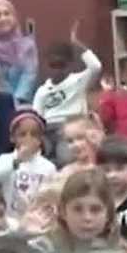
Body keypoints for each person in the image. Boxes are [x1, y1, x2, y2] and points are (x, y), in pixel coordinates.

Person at [27, 168, 125, 253]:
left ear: (108, 214)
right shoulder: (43, 249)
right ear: (63, 212)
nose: (87, 217)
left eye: (95, 210)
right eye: (77, 209)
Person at [33, 24, 103, 167]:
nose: (57, 70)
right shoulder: (42, 90)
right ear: (46, 65)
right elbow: (36, 115)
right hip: (47, 128)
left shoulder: (78, 81)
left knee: (65, 158)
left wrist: (77, 45)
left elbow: (96, 66)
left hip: (70, 126)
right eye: (53, 65)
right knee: (40, 159)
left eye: (61, 65)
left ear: (70, 64)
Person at [0, 110, 56, 222]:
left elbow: (49, 194)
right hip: (9, 218)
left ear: (40, 139)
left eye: (34, 135)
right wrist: (17, 160)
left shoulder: (48, 167)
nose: (28, 139)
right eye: (22, 134)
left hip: (36, 219)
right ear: (13, 138)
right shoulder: (6, 159)